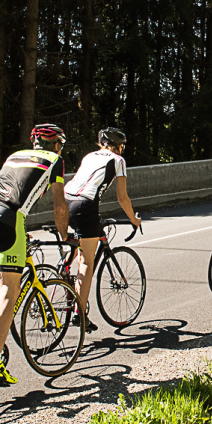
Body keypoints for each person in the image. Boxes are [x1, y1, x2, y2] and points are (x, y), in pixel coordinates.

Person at [0, 124, 69, 386]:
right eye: (60, 143)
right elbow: (59, 204)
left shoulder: (15, 156)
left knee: (8, 253)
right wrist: (65, 235)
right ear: (55, 145)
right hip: (9, 217)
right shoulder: (55, 161)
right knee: (10, 290)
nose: (60, 148)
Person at [64, 126, 142, 331]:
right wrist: (133, 219)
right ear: (118, 146)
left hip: (66, 200)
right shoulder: (118, 161)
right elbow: (122, 197)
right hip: (85, 205)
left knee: (77, 244)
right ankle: (79, 314)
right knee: (87, 262)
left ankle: (62, 272)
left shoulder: (89, 156)